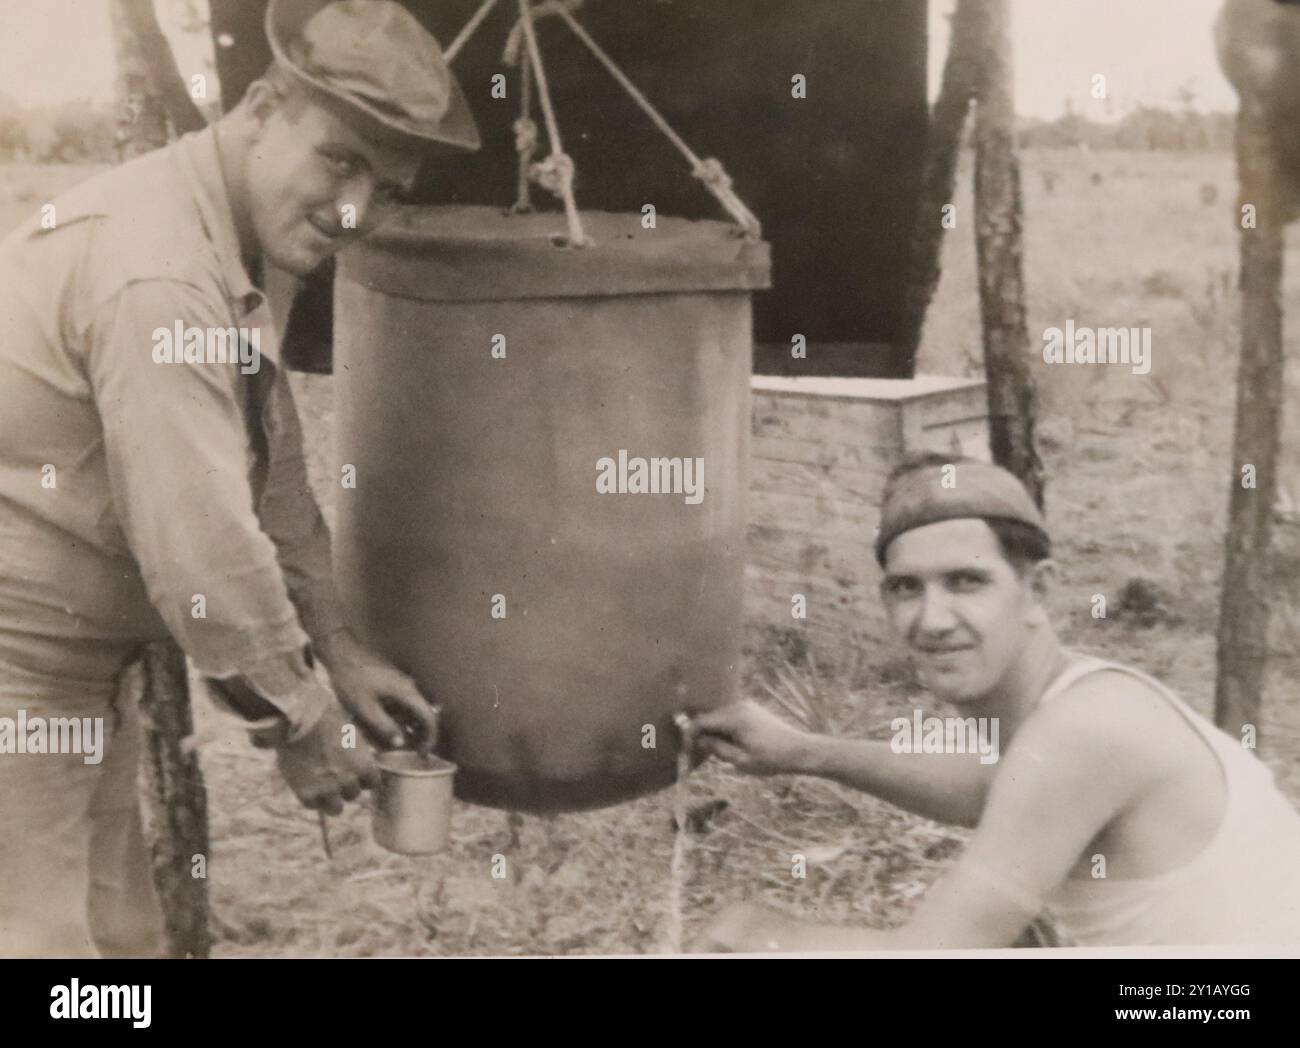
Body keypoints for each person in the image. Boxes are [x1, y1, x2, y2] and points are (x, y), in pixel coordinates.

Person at [0, 0, 478, 957]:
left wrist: (336, 646)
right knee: (43, 945)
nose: (354, 211)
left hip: (78, 665)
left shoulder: (246, 225)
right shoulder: (160, 273)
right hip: (20, 663)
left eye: (385, 187)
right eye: (339, 159)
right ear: (261, 106)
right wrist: (298, 719)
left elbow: (270, 457)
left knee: (123, 936)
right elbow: (200, 544)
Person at [690, 453, 1300, 950]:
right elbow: (996, 787)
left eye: (966, 581)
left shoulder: (1088, 729)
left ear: (1039, 591)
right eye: (907, 588)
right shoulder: (1078, 699)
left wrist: (765, 936)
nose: (932, 620)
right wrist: (805, 751)